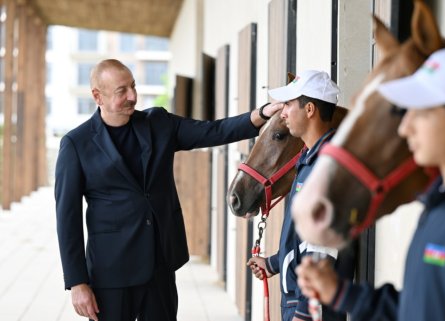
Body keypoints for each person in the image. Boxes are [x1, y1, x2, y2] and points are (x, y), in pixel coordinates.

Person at [55, 58, 283, 321]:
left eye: (133, 86)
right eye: (122, 91)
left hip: (159, 266)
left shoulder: (158, 123)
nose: (132, 96)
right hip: (111, 272)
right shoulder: (76, 144)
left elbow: (213, 131)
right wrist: (77, 283)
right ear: (98, 96)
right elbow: (67, 218)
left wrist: (262, 114)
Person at [296, 48, 445, 321]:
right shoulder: (436, 209)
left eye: (422, 112)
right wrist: (341, 294)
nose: (405, 128)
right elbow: (415, 308)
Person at [247, 70, 355, 321]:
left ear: (309, 110)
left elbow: (323, 251)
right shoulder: (308, 159)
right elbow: (304, 239)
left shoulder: (327, 167)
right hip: (298, 301)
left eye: (287, 105)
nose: (282, 113)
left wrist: (305, 313)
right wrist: (273, 263)